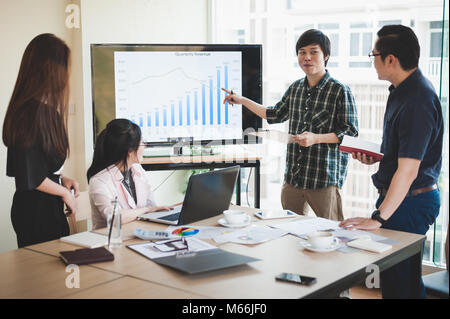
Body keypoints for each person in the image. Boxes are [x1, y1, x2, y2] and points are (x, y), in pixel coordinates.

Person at [339, 25, 443, 299]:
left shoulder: (418, 100)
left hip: (411, 201)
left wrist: (378, 218)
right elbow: (403, 155)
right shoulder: (401, 91)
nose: (372, 60)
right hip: (402, 198)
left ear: (390, 59)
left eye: (373, 54)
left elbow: (409, 171)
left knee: (401, 286)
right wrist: (377, 159)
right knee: (396, 281)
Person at [223, 29, 358, 221]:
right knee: (290, 234)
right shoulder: (295, 88)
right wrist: (242, 100)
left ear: (326, 56)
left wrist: (315, 138)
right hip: (293, 179)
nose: (307, 57)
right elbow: (273, 114)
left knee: (331, 235)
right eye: (302, 52)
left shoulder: (340, 90)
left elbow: (350, 133)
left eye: (313, 52)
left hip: (323, 180)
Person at [3, 33, 79, 248]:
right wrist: (65, 193)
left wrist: (61, 179)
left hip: (42, 208)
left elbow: (37, 166)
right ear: (50, 69)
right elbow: (32, 177)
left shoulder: (34, 111)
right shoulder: (31, 114)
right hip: (37, 213)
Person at [87, 119, 175, 229]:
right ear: (130, 150)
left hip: (138, 233)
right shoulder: (100, 181)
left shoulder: (137, 169)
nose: (145, 146)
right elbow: (114, 218)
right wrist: (146, 210)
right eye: (142, 142)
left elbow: (152, 206)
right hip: (109, 241)